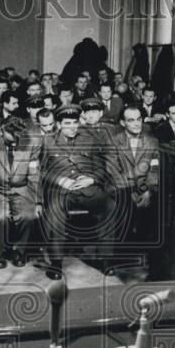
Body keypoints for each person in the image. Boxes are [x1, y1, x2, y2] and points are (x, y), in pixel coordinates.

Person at [39, 104, 113, 280]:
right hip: (61, 191)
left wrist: (92, 179)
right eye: (67, 123)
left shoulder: (89, 140)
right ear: (58, 124)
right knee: (55, 212)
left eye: (74, 122)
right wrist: (60, 180)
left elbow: (101, 169)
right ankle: (56, 263)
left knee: (110, 206)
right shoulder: (48, 141)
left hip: (87, 189)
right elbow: (41, 171)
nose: (72, 127)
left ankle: (105, 258)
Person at [0, 115, 42, 269]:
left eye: (19, 137)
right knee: (0, 217)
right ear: (3, 130)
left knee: (28, 216)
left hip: (21, 188)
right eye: (13, 137)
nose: (16, 141)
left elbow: (34, 173)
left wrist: (38, 201)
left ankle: (18, 251)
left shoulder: (33, 140)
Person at [109, 105, 160, 262]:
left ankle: (150, 257)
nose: (137, 124)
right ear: (123, 123)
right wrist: (133, 190)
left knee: (158, 204)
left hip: (144, 187)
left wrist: (148, 190)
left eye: (139, 119)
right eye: (131, 120)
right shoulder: (113, 142)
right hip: (119, 187)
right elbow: (113, 172)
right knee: (125, 204)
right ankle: (121, 256)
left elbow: (154, 169)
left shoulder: (152, 141)